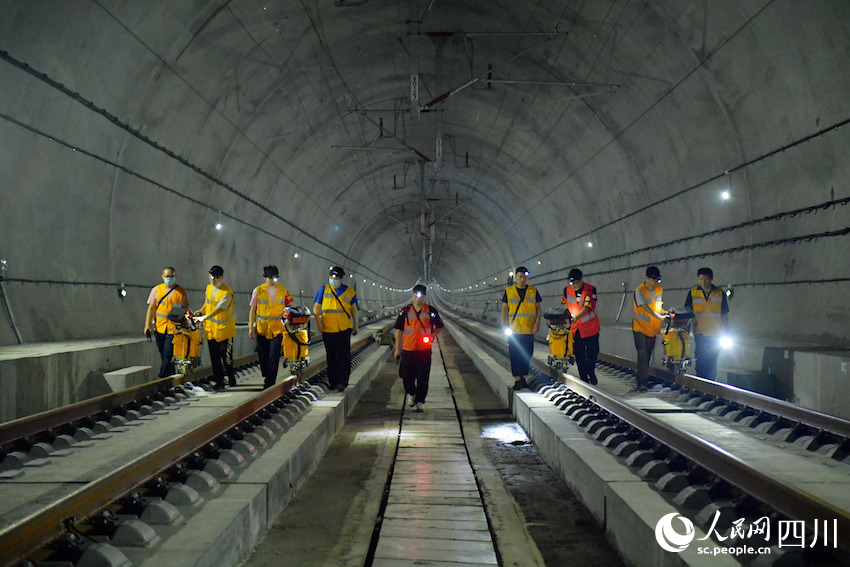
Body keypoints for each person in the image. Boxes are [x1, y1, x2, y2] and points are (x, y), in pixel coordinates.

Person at [394, 284, 444, 412]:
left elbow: (439, 326)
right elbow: (399, 330)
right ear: (412, 296)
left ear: (425, 296)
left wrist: (431, 337)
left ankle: (420, 400)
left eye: (420, 295)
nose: (417, 298)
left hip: (424, 351)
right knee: (406, 376)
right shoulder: (405, 311)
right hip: (407, 349)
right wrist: (397, 349)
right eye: (415, 295)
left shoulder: (430, 311)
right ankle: (411, 393)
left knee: (423, 377)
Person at [313, 265, 358, 391]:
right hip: (328, 329)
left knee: (344, 356)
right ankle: (333, 382)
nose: (334, 279)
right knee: (331, 356)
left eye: (337, 277)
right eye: (332, 277)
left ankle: (343, 382)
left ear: (342, 278)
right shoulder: (324, 290)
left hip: (344, 328)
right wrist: (319, 323)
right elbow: (316, 308)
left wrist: (355, 325)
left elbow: (353, 310)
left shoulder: (349, 292)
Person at [249, 265, 294, 388]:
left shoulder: (283, 290)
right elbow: (253, 310)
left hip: (277, 329)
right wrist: (251, 328)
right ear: (264, 278)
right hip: (262, 329)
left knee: (274, 355)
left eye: (275, 278)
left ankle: (270, 381)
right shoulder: (258, 291)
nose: (272, 281)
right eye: (270, 278)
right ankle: (267, 374)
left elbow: (289, 307)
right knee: (263, 356)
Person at [193, 265, 237, 390]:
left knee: (226, 357)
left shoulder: (227, 292)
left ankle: (231, 377)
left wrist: (204, 317)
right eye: (212, 276)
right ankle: (219, 382)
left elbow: (219, 309)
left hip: (224, 331)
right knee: (215, 358)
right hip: (211, 331)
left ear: (221, 277)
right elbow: (207, 303)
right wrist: (201, 311)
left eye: (216, 277)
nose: (213, 279)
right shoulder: (209, 288)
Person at [143, 266, 190, 378]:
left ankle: (162, 377)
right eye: (167, 276)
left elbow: (185, 309)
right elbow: (151, 308)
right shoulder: (157, 290)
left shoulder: (181, 292)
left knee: (168, 355)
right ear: (162, 276)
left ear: (175, 276)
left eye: (171, 276)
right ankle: (170, 377)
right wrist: (147, 325)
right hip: (159, 328)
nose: (169, 278)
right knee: (163, 355)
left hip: (174, 329)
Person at [684, 267, 729, 381]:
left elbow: (724, 314)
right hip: (700, 332)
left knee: (712, 360)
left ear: (711, 279)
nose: (703, 282)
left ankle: (710, 384)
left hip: (716, 333)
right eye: (700, 279)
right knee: (700, 359)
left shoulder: (719, 293)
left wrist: (726, 331)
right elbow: (687, 312)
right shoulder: (693, 292)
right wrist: (687, 329)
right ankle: (701, 383)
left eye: (706, 279)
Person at [501, 266, 542, 390]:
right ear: (516, 277)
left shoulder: (533, 290)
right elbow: (504, 309)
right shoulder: (509, 291)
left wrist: (537, 323)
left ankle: (523, 377)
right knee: (515, 355)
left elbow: (538, 309)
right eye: (520, 277)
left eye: (524, 277)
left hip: (529, 330)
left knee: (527, 354)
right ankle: (517, 379)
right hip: (514, 330)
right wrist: (503, 325)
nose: (522, 279)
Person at [632, 266, 670, 392]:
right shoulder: (639, 290)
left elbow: (657, 306)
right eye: (653, 280)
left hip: (652, 329)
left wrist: (666, 313)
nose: (655, 283)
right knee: (642, 353)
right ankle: (642, 382)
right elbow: (647, 308)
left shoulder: (659, 289)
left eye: (657, 280)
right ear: (647, 278)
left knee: (647, 354)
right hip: (640, 328)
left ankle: (642, 378)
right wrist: (660, 317)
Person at [561, 268, 600, 385]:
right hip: (576, 329)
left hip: (591, 327)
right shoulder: (567, 290)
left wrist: (576, 317)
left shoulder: (590, 290)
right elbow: (566, 304)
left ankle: (591, 371)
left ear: (581, 280)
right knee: (579, 354)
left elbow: (588, 307)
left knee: (593, 352)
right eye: (571, 283)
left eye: (576, 283)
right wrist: (566, 317)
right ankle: (583, 376)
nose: (574, 285)